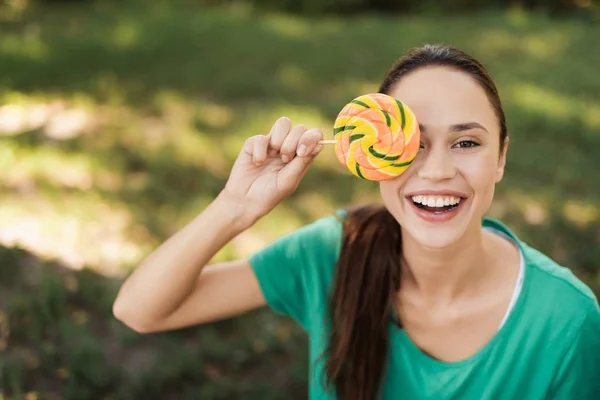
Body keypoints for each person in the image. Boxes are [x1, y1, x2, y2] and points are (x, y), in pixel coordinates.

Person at [112, 45, 600, 400]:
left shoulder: (566, 321)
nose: (436, 171)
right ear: (370, 154)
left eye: (466, 143)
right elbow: (141, 310)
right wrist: (234, 207)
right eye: (412, 143)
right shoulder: (334, 253)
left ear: (500, 158)